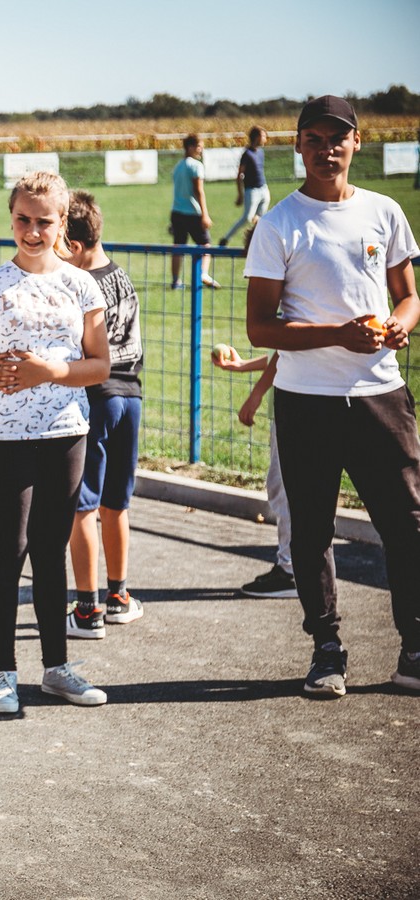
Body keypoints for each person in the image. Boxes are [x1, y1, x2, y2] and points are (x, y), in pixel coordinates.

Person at [244, 94, 420, 697]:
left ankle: (414, 651)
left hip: (380, 394)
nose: (326, 150)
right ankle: (327, 652)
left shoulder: (384, 211)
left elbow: (409, 294)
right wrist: (336, 335)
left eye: (337, 138)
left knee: (408, 524)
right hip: (306, 400)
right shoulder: (279, 224)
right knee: (313, 531)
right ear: (297, 147)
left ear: (356, 143)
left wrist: (402, 323)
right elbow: (260, 328)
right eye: (314, 140)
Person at [0, 171, 111, 715]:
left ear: (62, 224)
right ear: (12, 218)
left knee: (51, 552)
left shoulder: (82, 284)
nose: (33, 231)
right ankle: (2, 673)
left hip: (65, 434)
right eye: (23, 220)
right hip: (4, 436)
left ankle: (56, 668)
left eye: (45, 222)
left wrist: (49, 371)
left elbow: (99, 365)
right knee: (9, 551)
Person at [64, 190, 145, 639]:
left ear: (74, 246)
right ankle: (119, 596)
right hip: (132, 395)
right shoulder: (122, 277)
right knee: (117, 503)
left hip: (97, 397)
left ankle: (86, 608)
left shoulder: (79, 285)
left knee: (83, 506)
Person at [211, 347, 297, 598]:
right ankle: (302, 569)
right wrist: (243, 365)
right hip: (298, 404)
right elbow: (283, 351)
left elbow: (286, 348)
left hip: (294, 407)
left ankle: (291, 570)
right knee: (290, 489)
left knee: (285, 490)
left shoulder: (295, 305)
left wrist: (257, 393)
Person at [170, 133, 219, 291]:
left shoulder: (178, 166)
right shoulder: (196, 166)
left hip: (177, 212)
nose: (201, 150)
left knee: (178, 247)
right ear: (190, 147)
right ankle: (202, 274)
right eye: (199, 147)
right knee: (205, 246)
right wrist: (205, 213)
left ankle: (176, 281)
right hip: (192, 213)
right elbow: (199, 191)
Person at [218, 126, 271, 248]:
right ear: (257, 137)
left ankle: (258, 244)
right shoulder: (247, 154)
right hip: (252, 191)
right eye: (264, 136)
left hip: (264, 189)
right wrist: (240, 194)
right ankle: (226, 238)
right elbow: (239, 175)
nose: (265, 139)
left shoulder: (261, 152)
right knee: (247, 218)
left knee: (262, 220)